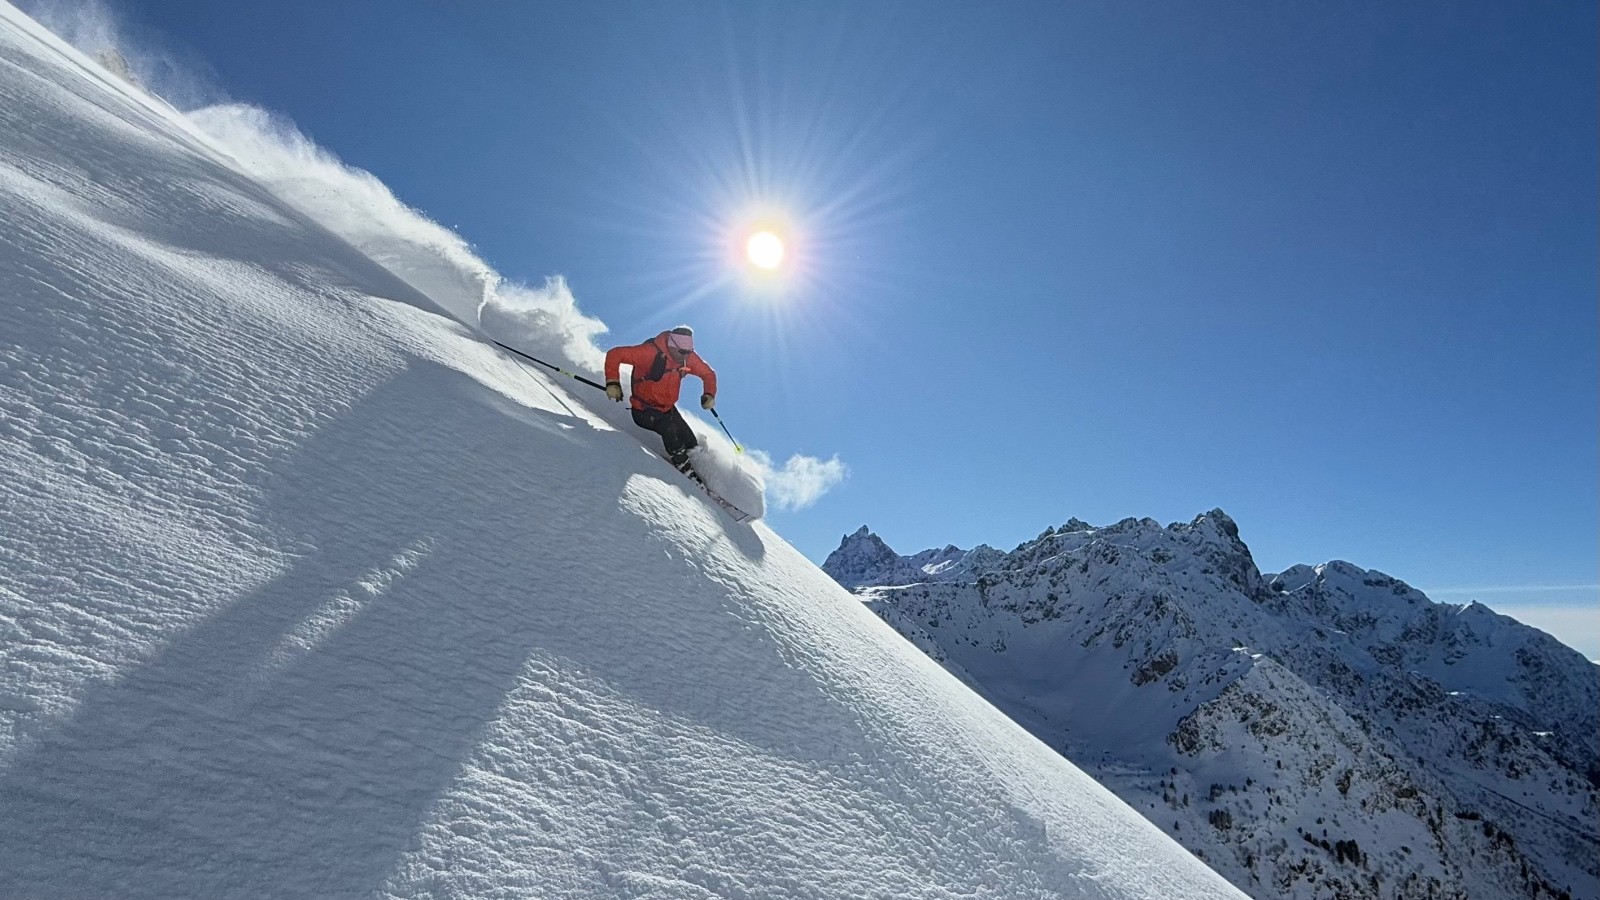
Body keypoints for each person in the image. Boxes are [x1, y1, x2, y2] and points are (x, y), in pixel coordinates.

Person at [604, 325, 717, 480]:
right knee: (668, 429)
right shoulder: (649, 353)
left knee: (691, 442)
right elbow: (615, 354)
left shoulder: (687, 357)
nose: (685, 357)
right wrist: (612, 382)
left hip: (668, 410)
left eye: (689, 352)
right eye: (682, 352)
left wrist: (709, 394)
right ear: (672, 345)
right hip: (643, 410)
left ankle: (700, 470)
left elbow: (708, 374)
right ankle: (686, 471)